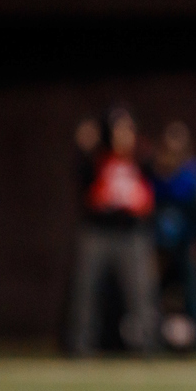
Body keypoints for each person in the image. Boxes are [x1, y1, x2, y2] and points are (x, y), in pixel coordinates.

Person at [67, 105, 159, 355]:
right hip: (98, 232)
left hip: (132, 232)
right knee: (86, 292)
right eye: (117, 128)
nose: (122, 133)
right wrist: (85, 147)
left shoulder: (140, 157)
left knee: (141, 292)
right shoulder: (97, 158)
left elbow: (155, 181)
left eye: (127, 127)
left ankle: (148, 344)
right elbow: (83, 182)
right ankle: (80, 344)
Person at [150, 121, 196, 349]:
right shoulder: (155, 170)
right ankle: (152, 340)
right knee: (152, 291)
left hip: (188, 240)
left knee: (195, 292)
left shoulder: (195, 171)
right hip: (159, 242)